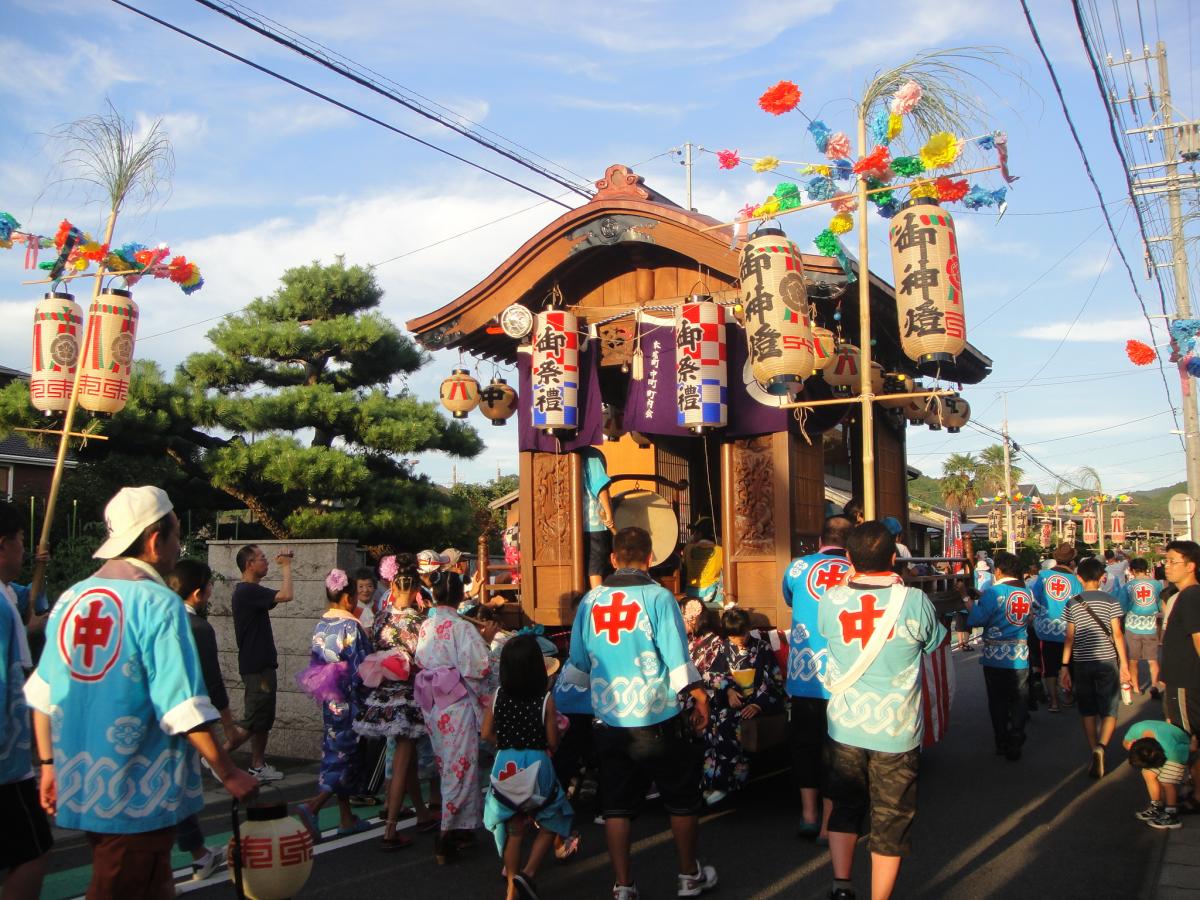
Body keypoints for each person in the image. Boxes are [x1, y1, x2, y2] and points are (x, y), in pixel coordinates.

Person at [24, 486, 257, 898]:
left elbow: (42, 694)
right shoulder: (159, 604)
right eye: (176, 534)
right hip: (137, 791)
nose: (177, 545)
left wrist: (46, 764)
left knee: (151, 884)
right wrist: (228, 771)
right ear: (155, 540)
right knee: (120, 886)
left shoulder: (71, 599)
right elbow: (181, 706)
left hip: (83, 781)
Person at [563, 526, 717, 900]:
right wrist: (699, 695)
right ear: (650, 558)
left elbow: (579, 663)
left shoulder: (592, 600)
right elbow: (676, 659)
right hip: (657, 714)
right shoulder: (659, 598)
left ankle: (623, 885)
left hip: (609, 717)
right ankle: (687, 876)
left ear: (613, 558)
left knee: (616, 804)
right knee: (680, 798)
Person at [817, 521, 947, 900]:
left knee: (845, 806)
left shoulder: (832, 599)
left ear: (848, 558)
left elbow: (829, 635)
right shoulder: (913, 601)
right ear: (894, 557)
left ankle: (842, 886)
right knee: (891, 817)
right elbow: (935, 642)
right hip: (896, 727)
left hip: (844, 724)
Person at [354, 553, 438, 847]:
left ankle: (423, 814)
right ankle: (390, 828)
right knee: (404, 758)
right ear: (416, 590)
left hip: (384, 694)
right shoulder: (421, 621)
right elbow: (426, 658)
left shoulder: (380, 618)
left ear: (392, 585)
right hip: (410, 694)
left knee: (406, 757)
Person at [482, 635, 574, 900]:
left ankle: (511, 889)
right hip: (537, 761)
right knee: (552, 816)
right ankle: (529, 871)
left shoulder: (498, 696)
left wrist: (506, 743)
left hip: (505, 762)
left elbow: (486, 733)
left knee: (514, 827)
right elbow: (553, 741)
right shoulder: (545, 699)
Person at [414, 570, 493, 865]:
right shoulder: (462, 627)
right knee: (460, 768)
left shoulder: (427, 625)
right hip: (456, 702)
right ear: (461, 596)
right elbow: (479, 668)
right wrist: (486, 641)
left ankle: (463, 828)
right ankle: (447, 833)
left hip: (434, 703)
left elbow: (420, 660)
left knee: (449, 764)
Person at [782, 514, 852, 840]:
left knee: (805, 744)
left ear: (820, 540)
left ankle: (808, 815)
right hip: (845, 673)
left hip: (805, 671)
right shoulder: (857, 570)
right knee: (836, 748)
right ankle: (828, 822)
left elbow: (790, 598)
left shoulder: (797, 568)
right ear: (849, 544)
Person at [293, 569, 374, 842]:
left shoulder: (322, 625)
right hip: (350, 698)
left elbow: (317, 660)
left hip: (329, 698)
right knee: (348, 754)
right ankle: (314, 804)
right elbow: (362, 665)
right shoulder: (351, 626)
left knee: (335, 749)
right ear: (349, 598)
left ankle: (346, 817)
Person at [168, 559, 234, 881]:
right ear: (199, 592)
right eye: (209, 585)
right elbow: (212, 679)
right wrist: (227, 722)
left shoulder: (162, 619)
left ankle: (197, 853)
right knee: (178, 787)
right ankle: (196, 854)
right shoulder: (197, 628)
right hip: (189, 719)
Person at [0, 502, 51, 899]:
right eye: (19, 542)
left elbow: (32, 605)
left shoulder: (9, 596)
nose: (23, 550)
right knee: (32, 853)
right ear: (4, 545)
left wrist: (41, 567)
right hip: (7, 766)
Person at [701, 606, 784, 805]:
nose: (739, 640)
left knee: (727, 723)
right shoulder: (723, 648)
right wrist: (728, 690)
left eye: (742, 634)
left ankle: (725, 783)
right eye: (733, 637)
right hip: (731, 699)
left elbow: (775, 679)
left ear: (749, 628)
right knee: (712, 723)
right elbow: (712, 675)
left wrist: (758, 704)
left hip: (754, 701)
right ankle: (710, 782)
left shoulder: (762, 648)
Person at [1059, 557, 1131, 778]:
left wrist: (1064, 667)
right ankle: (1102, 746)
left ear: (1078, 577)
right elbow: (1118, 635)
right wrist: (1125, 665)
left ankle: (1093, 750)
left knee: (1087, 709)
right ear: (1102, 578)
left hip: (1081, 661)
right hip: (1108, 661)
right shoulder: (1111, 601)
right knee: (1109, 708)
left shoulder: (1072, 602)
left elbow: (1069, 637)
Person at [229, 543, 295, 781]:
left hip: (262, 664)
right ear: (249, 564)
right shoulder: (246, 590)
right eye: (262, 558)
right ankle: (216, 757)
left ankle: (258, 766)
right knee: (254, 717)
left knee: (263, 720)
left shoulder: (251, 591)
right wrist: (287, 567)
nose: (266, 562)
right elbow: (286, 595)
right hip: (256, 666)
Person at [965, 550, 1032, 760]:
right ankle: (1016, 736)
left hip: (995, 656)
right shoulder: (1026, 592)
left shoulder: (995, 592)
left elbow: (976, 619)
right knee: (1019, 698)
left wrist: (967, 599)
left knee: (998, 700)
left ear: (999, 570)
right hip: (1020, 654)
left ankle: (1002, 740)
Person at [1160, 540, 1200, 799]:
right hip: (1180, 680)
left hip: (1186, 681)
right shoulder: (1186, 595)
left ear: (1191, 566)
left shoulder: (1190, 596)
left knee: (1187, 739)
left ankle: (1190, 795)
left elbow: (1198, 638)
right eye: (1167, 561)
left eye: (1173, 562)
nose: (1167, 567)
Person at [1032, 543, 1083, 713]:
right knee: (1069, 664)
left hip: (1046, 629)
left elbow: (1035, 601)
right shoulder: (1076, 580)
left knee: (1049, 666)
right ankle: (1068, 695)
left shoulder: (1044, 576)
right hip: (1069, 629)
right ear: (1072, 561)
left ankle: (1054, 701)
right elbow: (1079, 605)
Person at [1123, 719, 1190, 831]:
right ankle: (1157, 807)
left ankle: (1171, 816)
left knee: (1166, 781)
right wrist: (1130, 747)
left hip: (1180, 749)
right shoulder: (1135, 729)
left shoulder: (1171, 748)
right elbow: (1126, 742)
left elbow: (1185, 753)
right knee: (1147, 773)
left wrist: (1191, 748)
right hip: (1159, 745)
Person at [1122, 558, 1165, 698]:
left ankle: (1136, 687)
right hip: (1151, 626)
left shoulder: (1128, 586)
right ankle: (1153, 685)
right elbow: (1160, 605)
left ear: (1133, 570)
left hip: (1132, 626)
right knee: (1153, 659)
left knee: (1133, 660)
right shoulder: (1157, 585)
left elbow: (1122, 606)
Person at [579, 446, 617, 589]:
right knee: (595, 567)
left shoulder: (566, 452)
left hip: (572, 525)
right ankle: (597, 603)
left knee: (585, 566)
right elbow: (600, 486)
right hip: (594, 522)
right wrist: (609, 512)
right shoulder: (592, 455)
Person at [682, 517, 724, 609]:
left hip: (691, 593)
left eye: (695, 532)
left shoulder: (688, 548)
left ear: (700, 534)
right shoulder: (721, 551)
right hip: (713, 594)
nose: (693, 535)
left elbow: (684, 565)